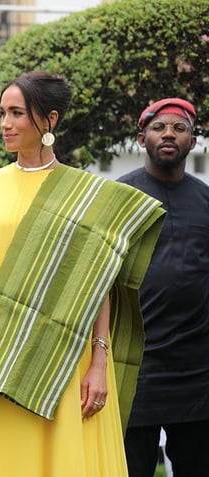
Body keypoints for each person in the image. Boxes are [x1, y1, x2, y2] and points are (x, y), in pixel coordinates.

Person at [0, 71, 167, 477]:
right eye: (3, 113)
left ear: (49, 120)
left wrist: (99, 364)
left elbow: (97, 286)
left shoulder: (85, 194)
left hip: (64, 357)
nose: (5, 123)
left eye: (17, 113)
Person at [117, 98, 209, 477]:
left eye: (179, 128)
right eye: (159, 127)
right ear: (142, 138)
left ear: (193, 142)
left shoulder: (205, 200)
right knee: (131, 467)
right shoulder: (119, 199)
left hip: (198, 370)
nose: (169, 133)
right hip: (137, 364)